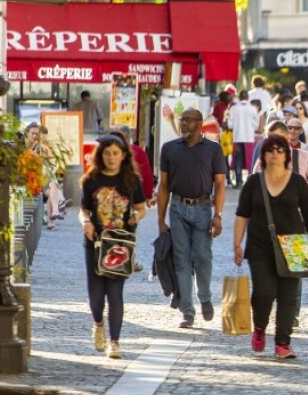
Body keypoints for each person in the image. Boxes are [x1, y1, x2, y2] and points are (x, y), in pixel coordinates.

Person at [234, 134, 308, 359]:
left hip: (294, 246)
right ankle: (259, 326)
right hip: (260, 246)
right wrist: (237, 245)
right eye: (271, 149)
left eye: (280, 150)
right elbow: (242, 214)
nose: (275, 153)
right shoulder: (253, 183)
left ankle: (282, 343)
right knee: (264, 292)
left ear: (287, 155)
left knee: (289, 296)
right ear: (264, 155)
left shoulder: (298, 182)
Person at [157, 108, 228, 329]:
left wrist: (218, 215)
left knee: (203, 256)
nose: (183, 124)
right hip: (178, 207)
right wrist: (161, 220)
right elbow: (163, 186)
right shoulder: (169, 149)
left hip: (203, 208)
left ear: (199, 123)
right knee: (181, 260)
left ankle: (204, 296)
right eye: (181, 120)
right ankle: (187, 311)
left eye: (188, 120)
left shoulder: (213, 149)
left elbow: (220, 184)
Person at [80, 134, 147, 359]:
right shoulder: (92, 180)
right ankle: (98, 323)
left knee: (115, 292)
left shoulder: (131, 180)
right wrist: (85, 222)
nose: (111, 157)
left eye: (115, 153)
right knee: (96, 295)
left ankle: (115, 342)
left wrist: (137, 216)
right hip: (95, 243)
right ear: (101, 155)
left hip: (120, 244)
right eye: (107, 153)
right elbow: (84, 210)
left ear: (124, 155)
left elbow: (141, 207)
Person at [228, 90, 259, 188]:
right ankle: (250, 180)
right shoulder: (252, 109)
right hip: (249, 137)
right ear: (247, 98)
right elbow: (256, 124)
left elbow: (230, 124)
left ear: (239, 97)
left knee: (238, 160)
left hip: (237, 137)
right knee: (250, 159)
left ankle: (238, 181)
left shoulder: (234, 108)